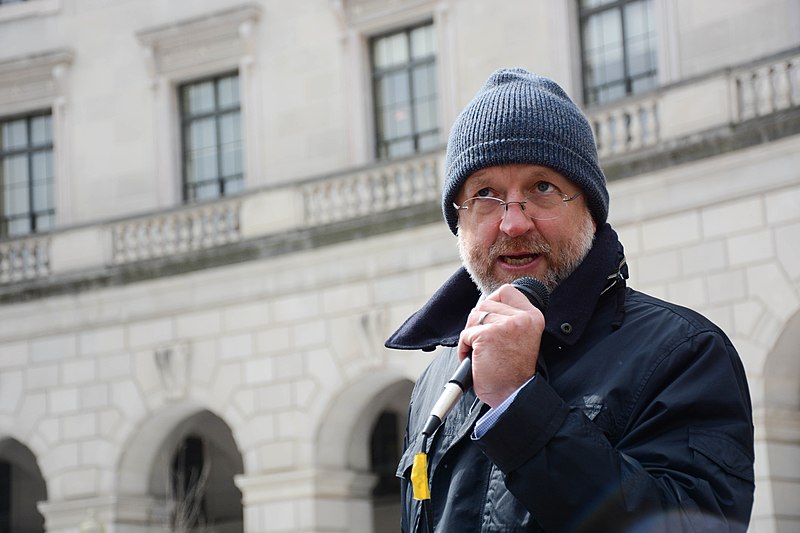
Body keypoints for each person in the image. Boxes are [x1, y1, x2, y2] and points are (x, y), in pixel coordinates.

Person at [385, 68, 755, 532]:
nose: (513, 223)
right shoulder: (436, 378)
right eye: (484, 194)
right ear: (459, 223)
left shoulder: (684, 352)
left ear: (592, 213)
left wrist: (518, 406)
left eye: (542, 188)